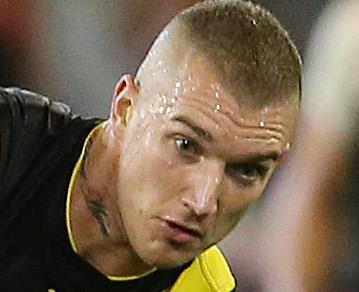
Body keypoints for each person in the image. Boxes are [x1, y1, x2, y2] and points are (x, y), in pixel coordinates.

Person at [0, 0, 302, 291]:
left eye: (247, 170)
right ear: (124, 108)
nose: (202, 202)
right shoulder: (11, 143)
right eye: (185, 145)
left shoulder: (202, 288)